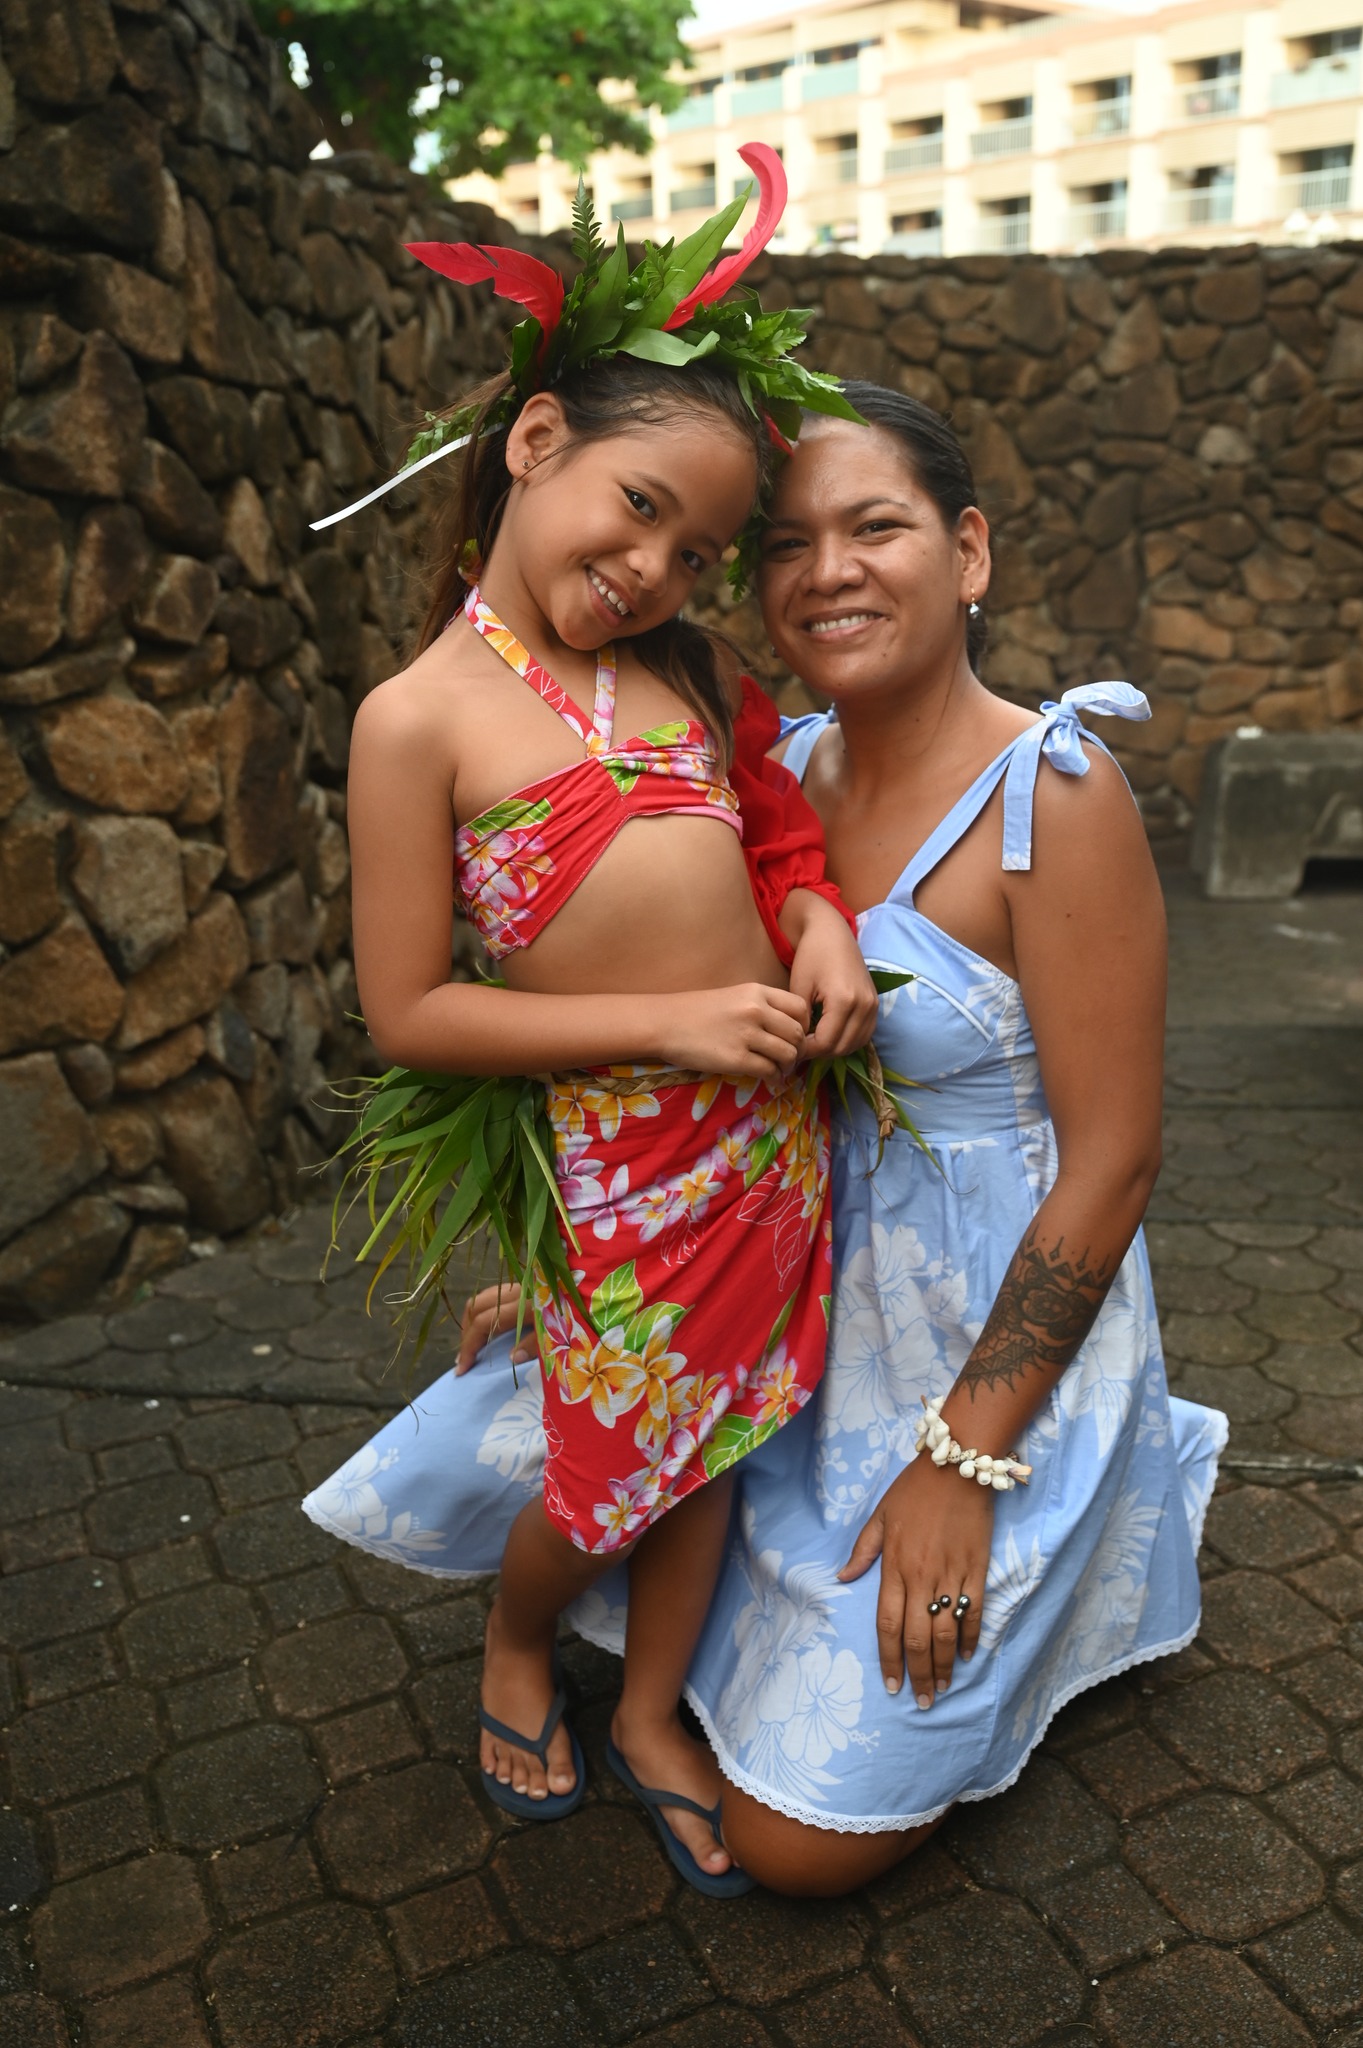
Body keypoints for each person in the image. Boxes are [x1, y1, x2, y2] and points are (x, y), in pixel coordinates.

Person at [406, 381, 1227, 1897]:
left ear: (968, 552)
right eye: (784, 544)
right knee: (588, 1475)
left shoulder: (1053, 797)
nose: (827, 571)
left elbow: (1115, 1160)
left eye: (877, 528)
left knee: (795, 1851)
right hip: (766, 1281)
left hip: (979, 1347)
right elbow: (626, 1023)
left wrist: (961, 1462)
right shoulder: (762, 764)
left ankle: (1097, 1505)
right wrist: (580, 1253)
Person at [304, 155, 879, 1895]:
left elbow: (777, 839)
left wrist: (820, 922)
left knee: (722, 1440)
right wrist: (676, 1025)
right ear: (536, 441)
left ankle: (645, 1711)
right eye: (636, 509)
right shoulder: (418, 720)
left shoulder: (689, 676)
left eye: (695, 552)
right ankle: (514, 1640)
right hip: (626, 1162)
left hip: (774, 1141)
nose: (650, 568)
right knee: (608, 1463)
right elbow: (413, 1011)